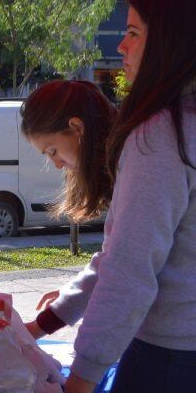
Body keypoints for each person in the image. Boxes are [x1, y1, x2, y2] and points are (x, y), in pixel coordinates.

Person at [26, 0, 196, 393]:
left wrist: (82, 380)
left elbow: (127, 269)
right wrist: (54, 318)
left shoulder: (162, 136)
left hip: (168, 363)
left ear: (171, 41)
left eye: (135, 32)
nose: (120, 46)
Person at [18, 79, 116, 339]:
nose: (57, 164)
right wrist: (65, 303)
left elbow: (122, 272)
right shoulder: (125, 165)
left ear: (77, 128)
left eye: (53, 151)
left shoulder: (138, 168)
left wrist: (83, 372)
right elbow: (111, 263)